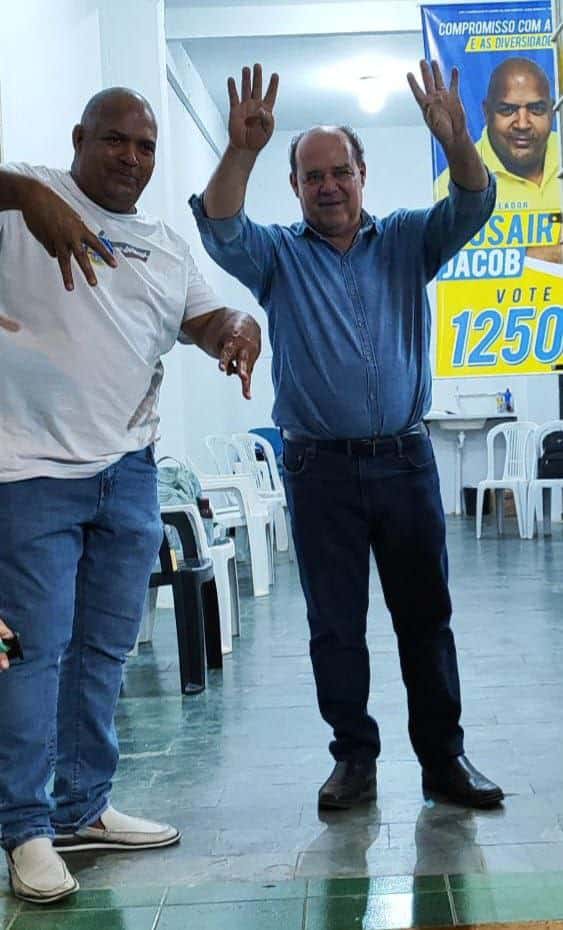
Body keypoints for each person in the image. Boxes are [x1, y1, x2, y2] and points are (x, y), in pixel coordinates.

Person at [190, 61, 504, 813]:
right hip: (318, 468)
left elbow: (472, 198)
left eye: (340, 172)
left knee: (424, 620)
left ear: (362, 176)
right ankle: (353, 762)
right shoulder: (276, 257)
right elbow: (220, 225)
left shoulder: (407, 243)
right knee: (335, 627)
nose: (327, 186)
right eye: (311, 177)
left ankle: (444, 761)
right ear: (294, 188)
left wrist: (457, 136)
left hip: (403, 462)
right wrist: (241, 150)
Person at [0, 87, 260, 904]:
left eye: (145, 148)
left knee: (105, 649)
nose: (131, 159)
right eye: (115, 141)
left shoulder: (164, 244)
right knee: (32, 655)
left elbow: (203, 316)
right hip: (28, 471)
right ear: (79, 138)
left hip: (128, 471)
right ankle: (23, 827)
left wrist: (232, 332)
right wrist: (25, 194)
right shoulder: (25, 195)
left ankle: (83, 806)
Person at [435, 57, 559, 211]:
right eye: (508, 110)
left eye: (536, 109)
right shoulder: (450, 186)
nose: (523, 124)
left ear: (552, 111)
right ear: (487, 113)